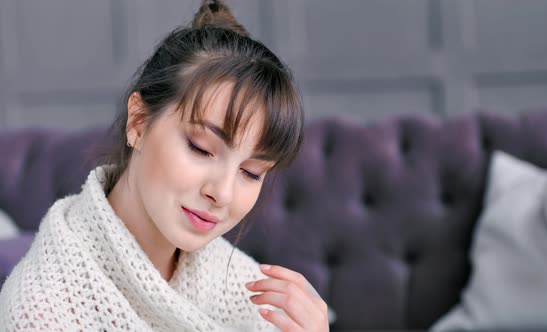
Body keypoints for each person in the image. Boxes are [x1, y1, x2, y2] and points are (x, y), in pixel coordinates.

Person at [0, 1, 329, 331]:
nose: (223, 194)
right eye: (201, 149)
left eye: (251, 173)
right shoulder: (42, 312)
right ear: (139, 122)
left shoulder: (244, 291)